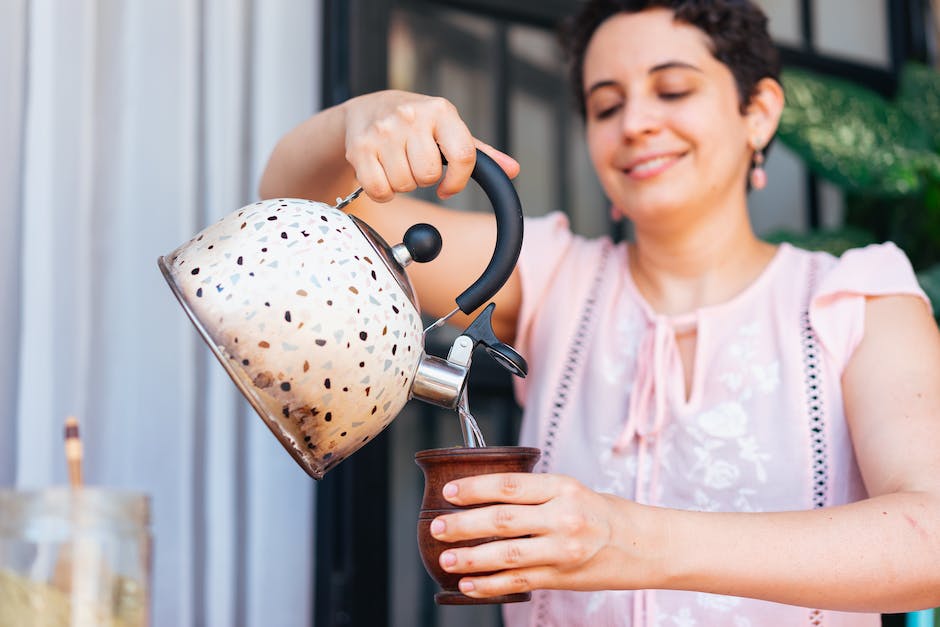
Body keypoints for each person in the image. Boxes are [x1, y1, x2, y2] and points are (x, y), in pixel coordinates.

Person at [259, 0, 940, 624]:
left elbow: (930, 541)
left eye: (673, 90)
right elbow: (296, 216)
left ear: (758, 112)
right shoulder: (552, 277)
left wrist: (630, 539)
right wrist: (357, 119)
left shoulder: (859, 300)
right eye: (606, 106)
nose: (636, 123)